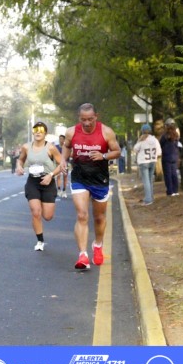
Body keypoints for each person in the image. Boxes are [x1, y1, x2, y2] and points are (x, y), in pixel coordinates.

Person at [60, 103, 122, 270]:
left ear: (96, 117)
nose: (86, 123)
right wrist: (63, 160)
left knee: (99, 217)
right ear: (79, 118)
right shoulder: (71, 132)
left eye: (90, 119)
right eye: (83, 119)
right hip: (79, 177)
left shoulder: (106, 132)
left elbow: (117, 151)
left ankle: (98, 244)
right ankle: (83, 255)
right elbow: (66, 146)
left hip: (99, 178)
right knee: (82, 215)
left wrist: (103, 155)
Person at [15, 122, 64, 251]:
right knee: (36, 212)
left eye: (41, 130)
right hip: (33, 182)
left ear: (45, 133)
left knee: (47, 216)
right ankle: (40, 241)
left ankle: (43, 203)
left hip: (48, 182)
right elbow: (21, 159)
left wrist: (51, 175)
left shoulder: (51, 148)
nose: (38, 132)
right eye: (36, 129)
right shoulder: (26, 147)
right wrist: (19, 166)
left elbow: (62, 164)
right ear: (33, 132)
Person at [133, 123, 161, 205]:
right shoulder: (155, 140)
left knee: (146, 181)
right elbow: (159, 152)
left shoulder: (141, 140)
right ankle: (151, 197)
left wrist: (139, 141)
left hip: (143, 162)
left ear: (142, 131)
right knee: (150, 180)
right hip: (152, 161)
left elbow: (135, 149)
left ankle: (148, 199)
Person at [159, 118, 181, 196]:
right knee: (174, 174)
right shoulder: (176, 136)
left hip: (166, 158)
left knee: (168, 175)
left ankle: (170, 191)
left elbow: (160, 144)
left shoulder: (164, 136)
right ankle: (176, 190)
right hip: (174, 157)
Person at [55, 134, 69, 198]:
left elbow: (69, 154)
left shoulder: (66, 147)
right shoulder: (56, 147)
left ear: (64, 140)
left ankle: (64, 191)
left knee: (65, 177)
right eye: (60, 139)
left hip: (65, 163)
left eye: (62, 139)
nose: (61, 140)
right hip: (58, 164)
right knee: (58, 176)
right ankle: (58, 190)